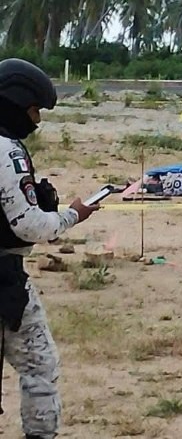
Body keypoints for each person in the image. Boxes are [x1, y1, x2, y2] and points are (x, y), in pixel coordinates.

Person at [0, 58, 99, 439]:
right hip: (4, 277)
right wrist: (71, 216)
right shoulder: (7, 151)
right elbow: (29, 225)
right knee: (40, 366)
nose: (37, 120)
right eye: (34, 109)